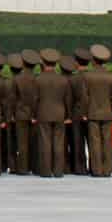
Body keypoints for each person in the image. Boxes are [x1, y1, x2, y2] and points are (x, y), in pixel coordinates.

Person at [83, 44, 112, 177]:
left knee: (95, 142)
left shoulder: (87, 76)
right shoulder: (111, 76)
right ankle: (107, 169)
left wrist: (85, 112)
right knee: (107, 141)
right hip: (107, 112)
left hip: (92, 112)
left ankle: (96, 169)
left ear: (93, 60)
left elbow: (85, 97)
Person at [33, 50, 68, 178]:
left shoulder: (38, 79)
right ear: (56, 63)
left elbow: (35, 99)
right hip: (59, 113)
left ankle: (46, 171)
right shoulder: (63, 79)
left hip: (43, 113)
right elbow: (67, 99)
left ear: (43, 62)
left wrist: (33, 114)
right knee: (58, 142)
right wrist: (67, 115)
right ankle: (58, 171)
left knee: (45, 142)